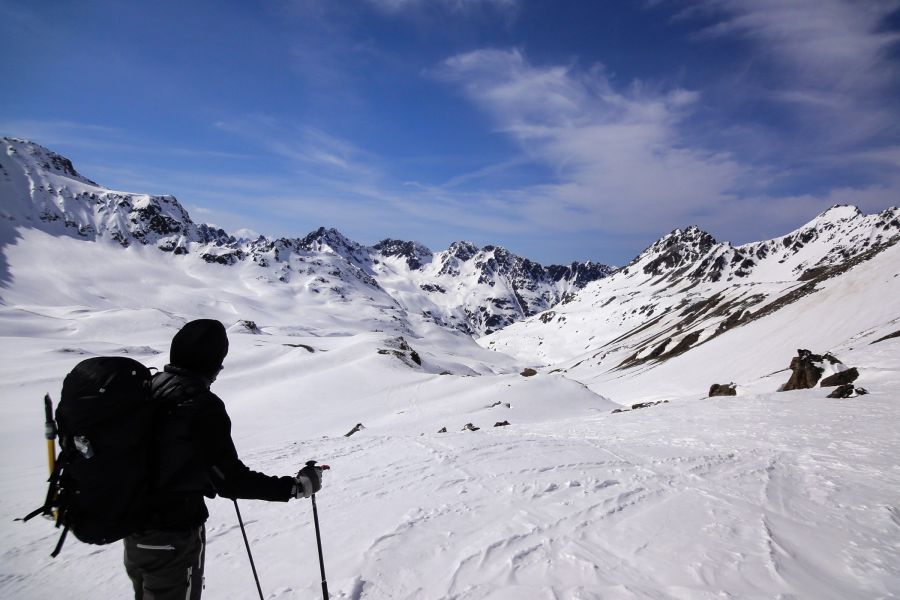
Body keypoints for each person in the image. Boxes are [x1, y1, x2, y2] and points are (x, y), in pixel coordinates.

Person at [124, 319, 323, 600]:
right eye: (220, 360)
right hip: (173, 535)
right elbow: (230, 481)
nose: (220, 369)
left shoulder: (151, 387)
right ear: (211, 362)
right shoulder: (200, 405)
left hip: (134, 530)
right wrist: (296, 487)